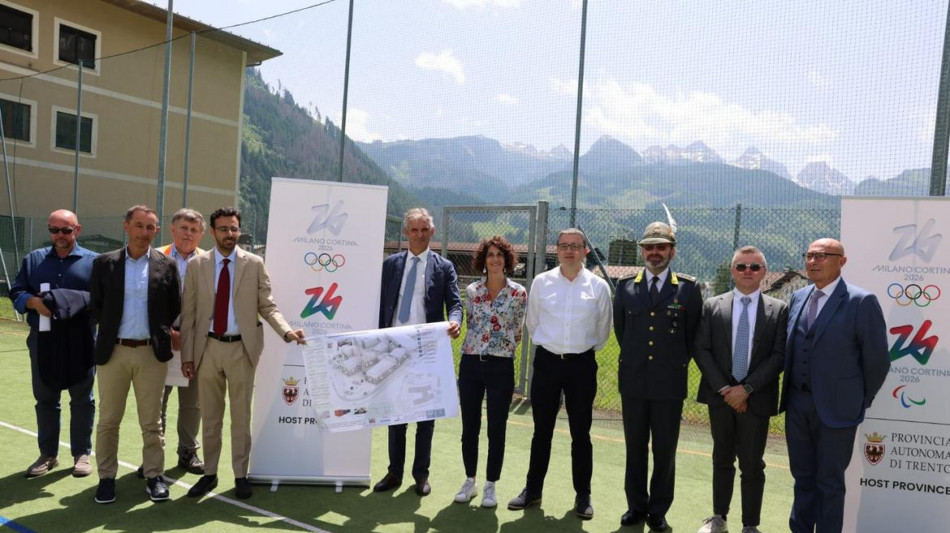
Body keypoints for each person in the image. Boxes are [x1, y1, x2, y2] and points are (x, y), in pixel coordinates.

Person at [181, 206, 305, 500]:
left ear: (239, 231)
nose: (229, 234)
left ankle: (240, 475)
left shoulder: (254, 264)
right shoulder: (197, 266)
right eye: (223, 229)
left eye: (234, 228)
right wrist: (188, 355)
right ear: (212, 232)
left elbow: (268, 305)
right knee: (210, 417)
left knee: (241, 416)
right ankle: (209, 474)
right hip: (207, 348)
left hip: (242, 349)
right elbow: (189, 314)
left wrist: (287, 331)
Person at [781, 238, 889, 533]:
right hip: (798, 405)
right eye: (810, 256)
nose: (813, 262)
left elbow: (878, 362)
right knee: (802, 478)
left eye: (822, 256)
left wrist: (859, 400)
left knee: (829, 483)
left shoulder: (861, 301)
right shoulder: (799, 297)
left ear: (842, 261)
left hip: (837, 410)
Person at [508, 228, 612, 520]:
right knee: (541, 432)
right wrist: (555, 347)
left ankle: (583, 496)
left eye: (575, 246)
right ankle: (532, 490)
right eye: (564, 245)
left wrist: (580, 350)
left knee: (581, 434)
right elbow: (533, 323)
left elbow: (603, 331)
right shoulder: (542, 283)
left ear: (585, 251)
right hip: (547, 364)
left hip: (581, 366)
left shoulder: (598, 287)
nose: (569, 251)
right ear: (557, 249)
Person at [613, 221, 703, 532]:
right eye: (649, 247)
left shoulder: (689, 290)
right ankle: (636, 506)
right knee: (635, 447)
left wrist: (668, 364)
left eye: (660, 247)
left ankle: (658, 510)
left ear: (672, 252)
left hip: (669, 384)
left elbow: (692, 339)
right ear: (642, 251)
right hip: (634, 382)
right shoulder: (625, 287)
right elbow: (622, 333)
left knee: (665, 450)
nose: (654, 252)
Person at [90, 205, 181, 504]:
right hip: (113, 352)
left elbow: (173, 307)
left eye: (150, 227)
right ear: (126, 226)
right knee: (108, 420)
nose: (144, 232)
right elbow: (98, 305)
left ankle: (154, 476)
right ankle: (106, 478)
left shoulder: (166, 265)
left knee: (152, 422)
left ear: (157, 231)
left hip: (150, 354)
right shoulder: (105, 263)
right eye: (139, 225)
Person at [694, 246, 788, 533]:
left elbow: (779, 356)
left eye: (755, 267)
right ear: (733, 270)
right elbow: (702, 348)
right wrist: (727, 389)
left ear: (764, 272)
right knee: (722, 457)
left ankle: (750, 525)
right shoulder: (712, 305)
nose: (748, 271)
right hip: (720, 396)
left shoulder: (779, 309)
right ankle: (718, 518)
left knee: (751, 463)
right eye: (742, 266)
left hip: (756, 398)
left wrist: (745, 389)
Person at [373, 207, 463, 497]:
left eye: (425, 230)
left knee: (425, 415)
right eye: (414, 230)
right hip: (394, 348)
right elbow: (379, 305)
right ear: (406, 232)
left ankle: (420, 475)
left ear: (432, 232)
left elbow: (456, 303)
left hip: (428, 350)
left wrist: (456, 321)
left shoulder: (444, 267)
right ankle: (394, 472)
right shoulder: (390, 265)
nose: (420, 235)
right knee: (395, 415)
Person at [10, 209, 98, 478]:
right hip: (44, 339)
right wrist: (34, 303)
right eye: (54, 230)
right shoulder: (33, 259)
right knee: (46, 398)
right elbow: (16, 292)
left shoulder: (95, 262)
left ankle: (81, 453)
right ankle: (48, 455)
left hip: (81, 340)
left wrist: (73, 303)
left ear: (77, 230)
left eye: (66, 230)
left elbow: (104, 299)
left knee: (82, 398)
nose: (60, 236)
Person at [454, 236, 527, 508]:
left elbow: (517, 329)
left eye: (499, 255)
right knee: (469, 426)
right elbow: (471, 323)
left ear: (507, 260)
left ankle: (490, 486)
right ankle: (470, 481)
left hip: (501, 365)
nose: (494, 259)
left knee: (497, 428)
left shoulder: (518, 293)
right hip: (472, 362)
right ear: (483, 260)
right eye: (490, 255)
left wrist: (499, 347)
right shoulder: (472, 291)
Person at [154, 208, 206, 475]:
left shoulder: (210, 261)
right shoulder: (155, 256)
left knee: (192, 404)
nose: (188, 233)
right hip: (160, 341)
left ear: (201, 234)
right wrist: (168, 332)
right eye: (183, 228)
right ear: (172, 229)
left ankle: (188, 453)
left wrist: (192, 335)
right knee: (156, 402)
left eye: (194, 229)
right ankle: (154, 455)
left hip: (196, 344)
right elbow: (145, 300)